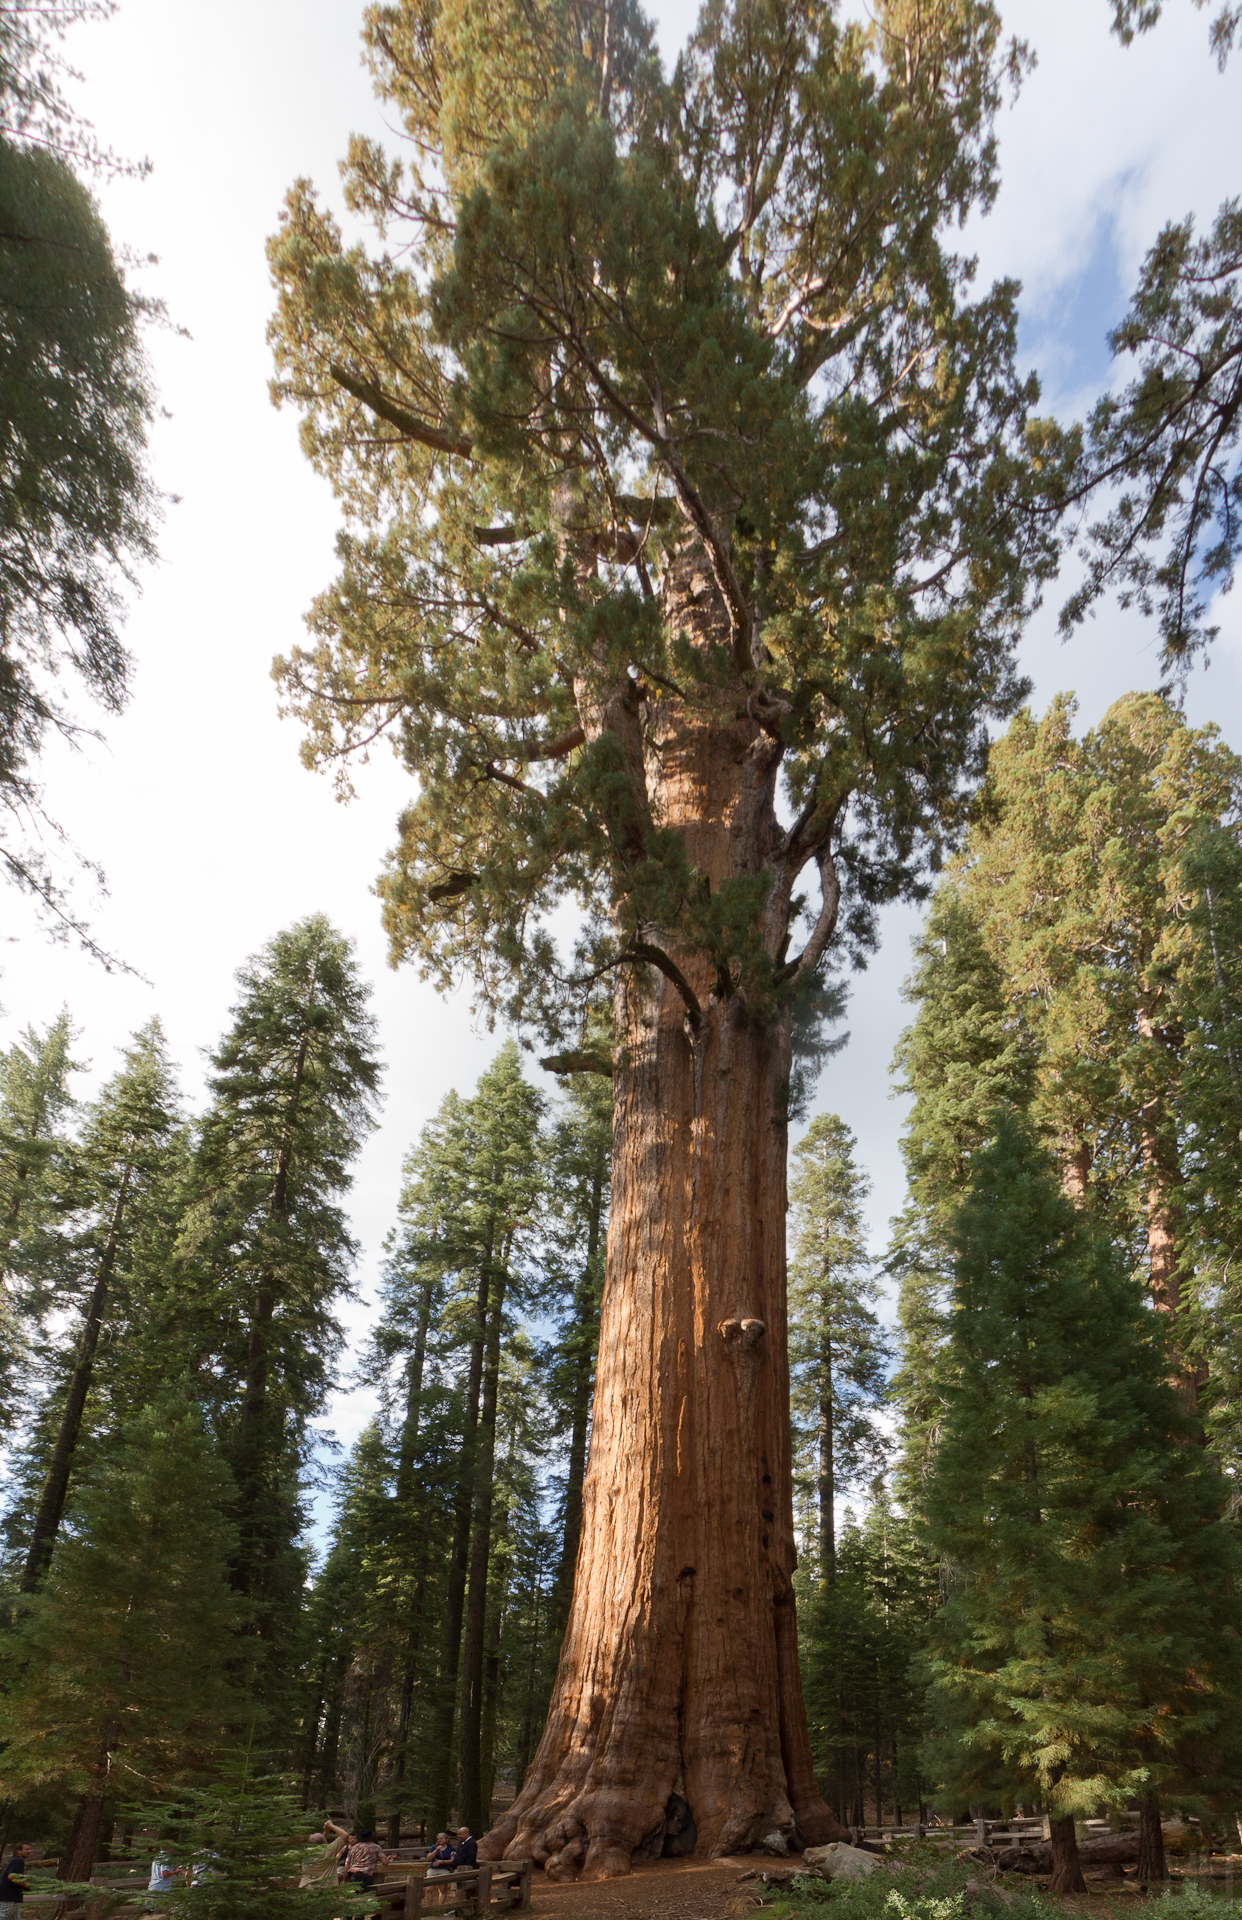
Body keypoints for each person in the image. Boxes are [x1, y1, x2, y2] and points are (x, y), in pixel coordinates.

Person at [299, 1819, 350, 1890]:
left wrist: (326, 1832)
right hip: (324, 1888)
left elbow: (318, 1842)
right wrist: (330, 1825)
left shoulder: (305, 1852)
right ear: (324, 1842)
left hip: (306, 1888)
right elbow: (345, 1835)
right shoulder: (328, 1851)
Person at [0, 1843, 33, 1919]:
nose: (29, 1851)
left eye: (30, 1849)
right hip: (8, 1896)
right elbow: (12, 1877)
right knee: (3, 1915)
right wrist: (26, 1885)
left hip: (12, 1897)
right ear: (18, 1851)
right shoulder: (18, 1861)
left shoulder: (11, 1861)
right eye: (26, 1849)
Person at [425, 1831, 454, 1908]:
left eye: (441, 1838)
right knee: (429, 1889)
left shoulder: (451, 1848)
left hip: (444, 1870)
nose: (440, 1840)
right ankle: (428, 1907)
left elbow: (453, 1860)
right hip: (433, 1870)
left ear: (446, 1839)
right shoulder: (434, 1847)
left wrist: (441, 1862)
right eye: (438, 1839)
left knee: (442, 1889)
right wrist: (436, 1850)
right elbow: (428, 1858)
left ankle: (440, 1908)